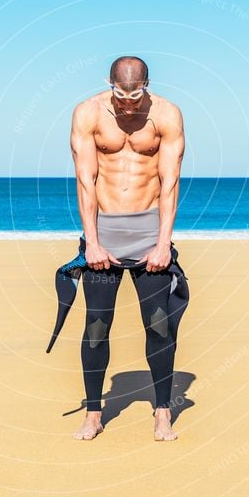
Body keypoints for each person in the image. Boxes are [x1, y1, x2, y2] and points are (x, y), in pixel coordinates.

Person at [70, 56, 186, 441]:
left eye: (136, 96)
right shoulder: (88, 114)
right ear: (110, 84)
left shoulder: (167, 116)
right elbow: (86, 180)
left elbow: (169, 183)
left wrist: (162, 244)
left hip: (148, 232)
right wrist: (93, 243)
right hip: (104, 232)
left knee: (159, 326)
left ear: (147, 86)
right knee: (96, 328)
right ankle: (93, 413)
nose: (128, 105)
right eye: (121, 96)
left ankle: (163, 412)